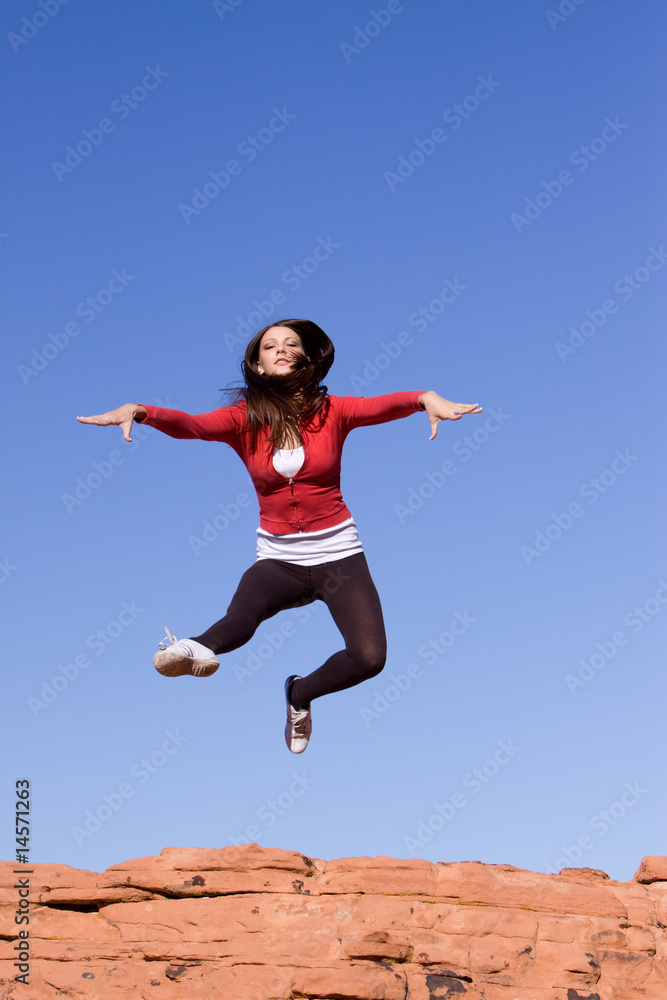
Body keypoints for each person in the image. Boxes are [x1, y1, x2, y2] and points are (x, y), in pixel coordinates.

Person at [77, 319, 481, 753]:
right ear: (258, 365)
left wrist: (425, 399)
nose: (283, 349)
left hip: (339, 555)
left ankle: (299, 695)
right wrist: (141, 411)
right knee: (241, 617)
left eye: (292, 344)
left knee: (370, 659)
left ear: (307, 358)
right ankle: (190, 649)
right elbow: (191, 425)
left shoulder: (334, 412)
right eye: (271, 346)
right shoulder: (243, 419)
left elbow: (381, 405)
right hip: (280, 558)